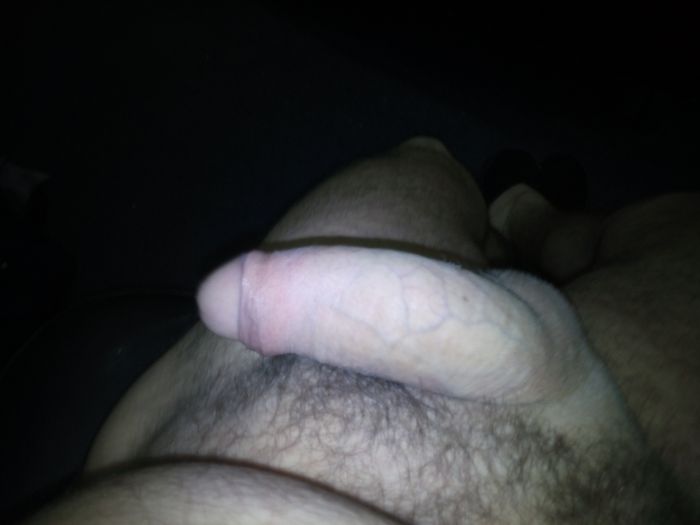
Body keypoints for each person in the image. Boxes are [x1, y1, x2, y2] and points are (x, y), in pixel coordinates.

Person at [21, 137, 699, 523]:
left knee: (425, 169)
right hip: (610, 482)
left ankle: (519, 224)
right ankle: (531, 218)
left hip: (185, 435)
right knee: (677, 241)